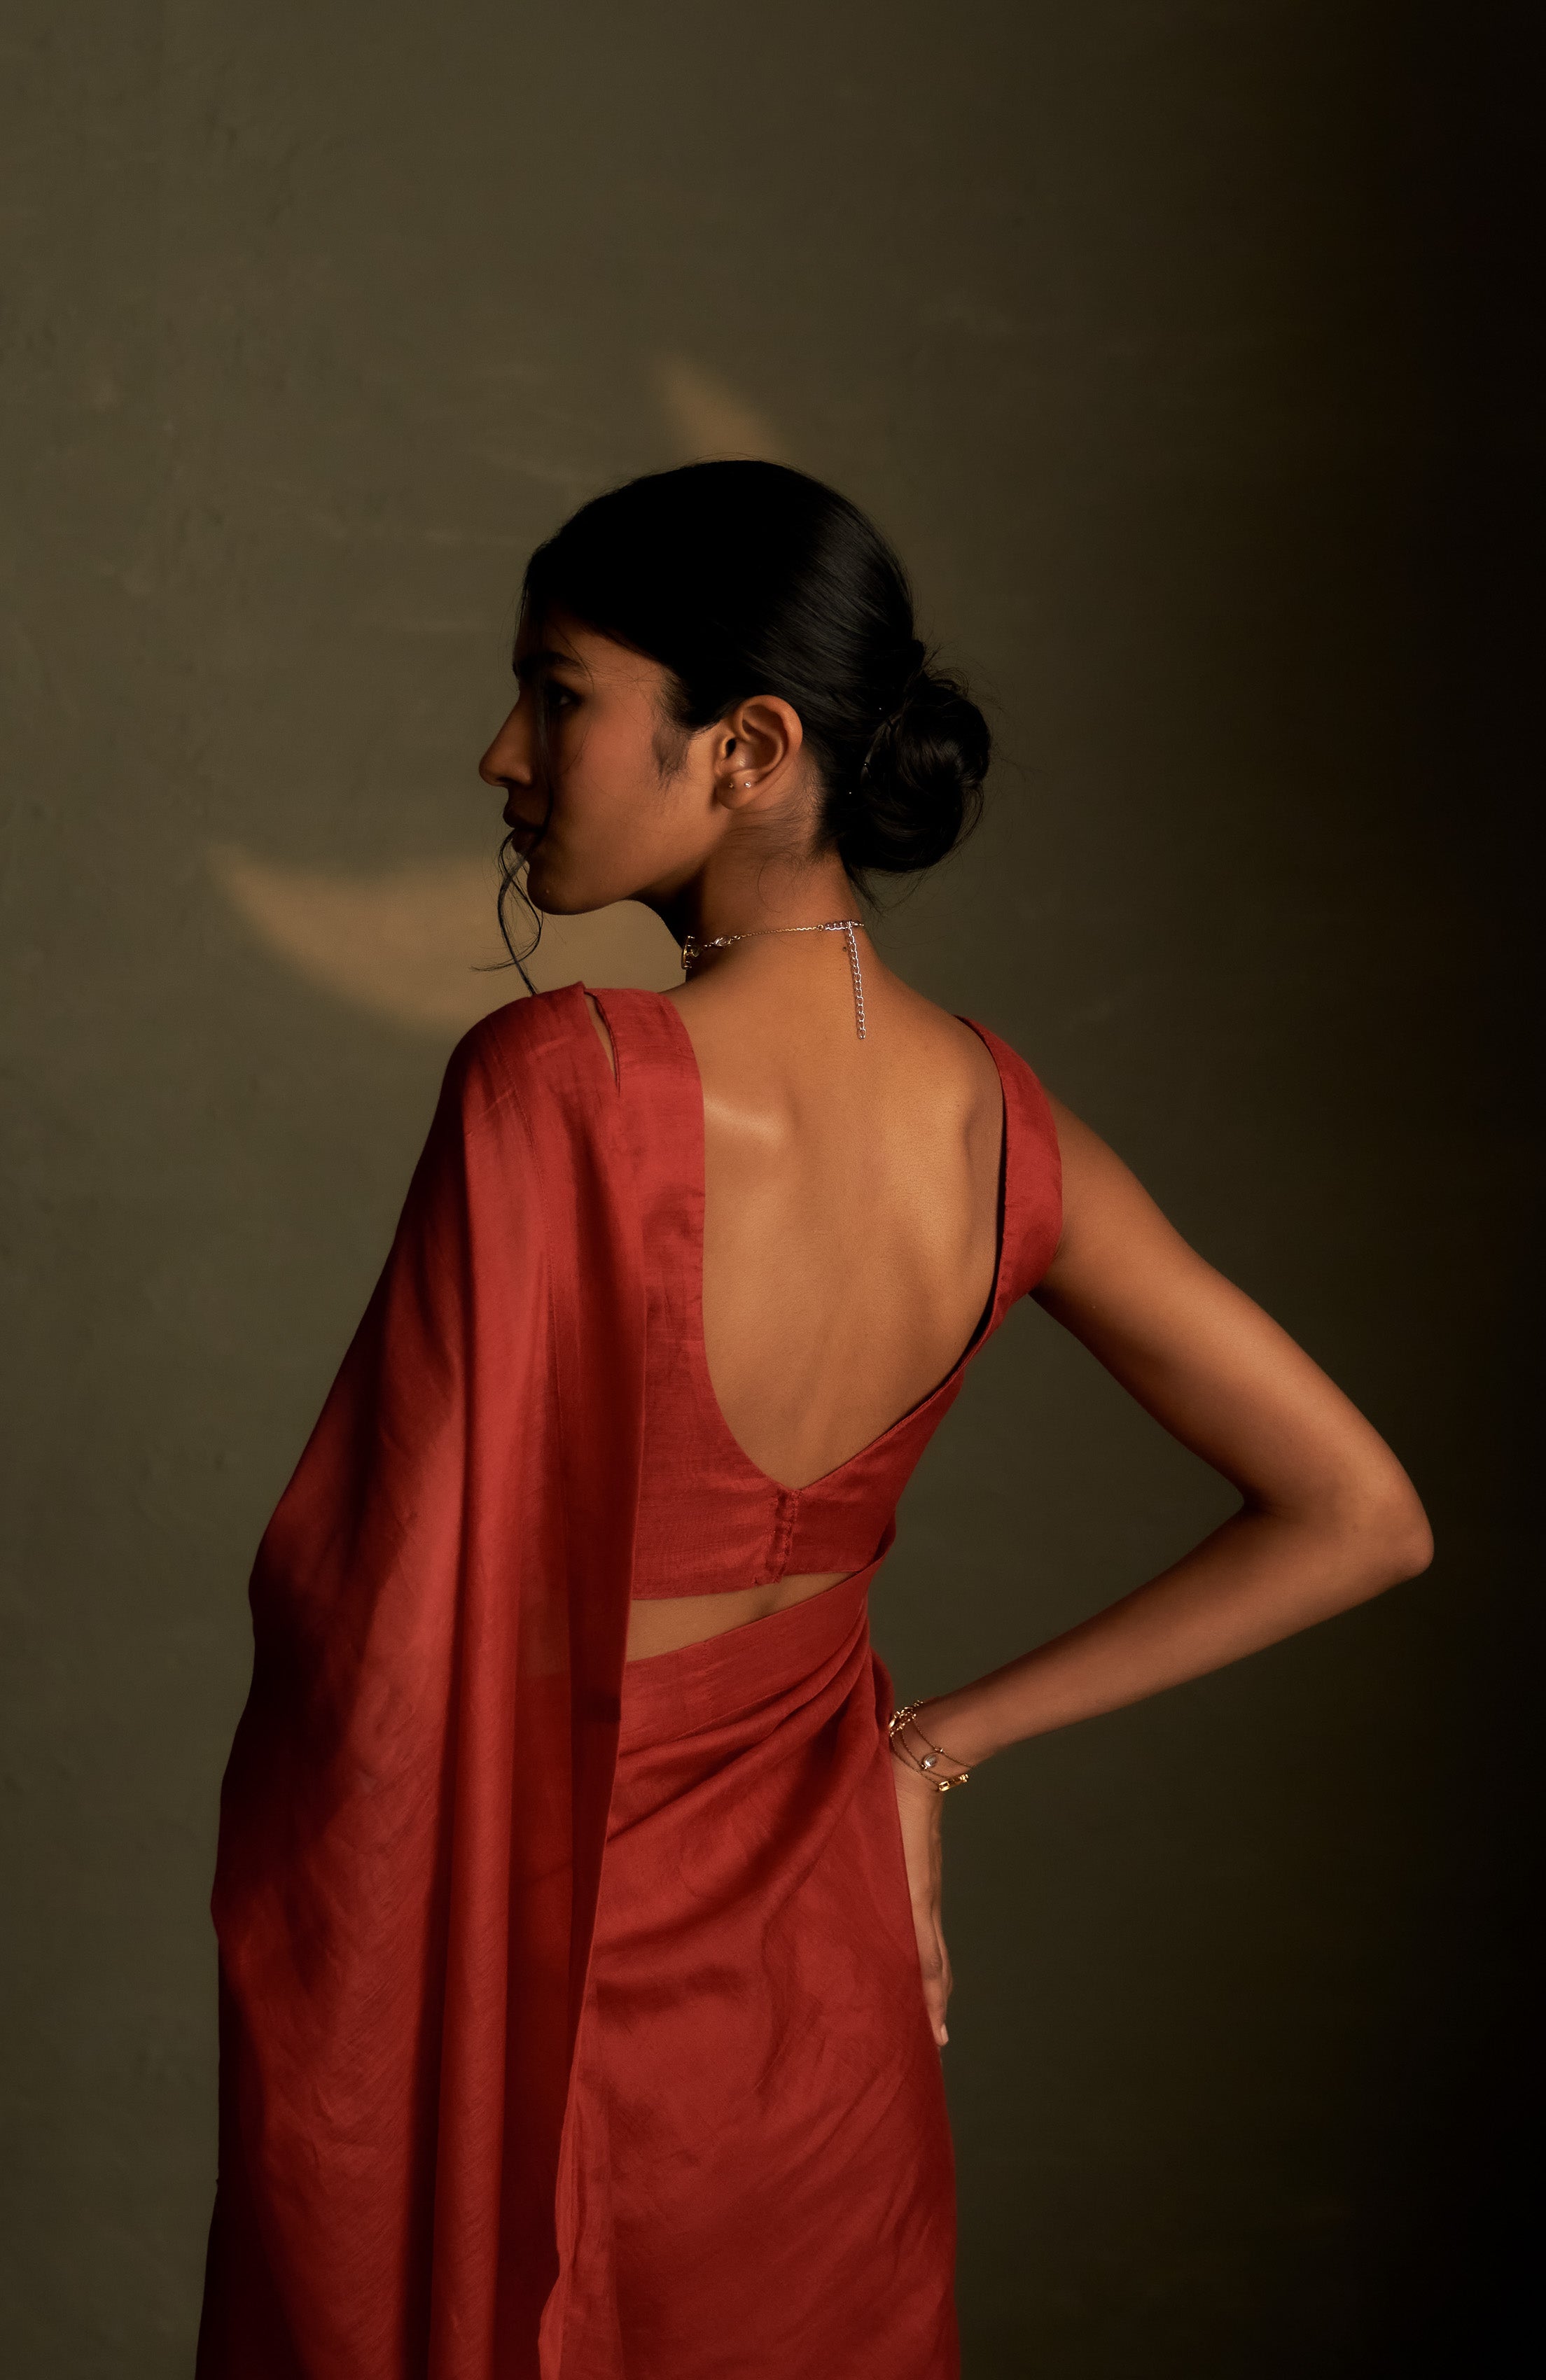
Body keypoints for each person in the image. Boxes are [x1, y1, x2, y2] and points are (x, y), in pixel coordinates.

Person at [195, 461, 1433, 2380]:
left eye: (557, 693)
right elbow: (1364, 1512)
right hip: (823, 2006)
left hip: (555, 1981)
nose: (501, 753)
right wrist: (926, 1753)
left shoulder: (559, 1083)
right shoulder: (1003, 1125)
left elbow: (379, 1624)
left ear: (750, 746)